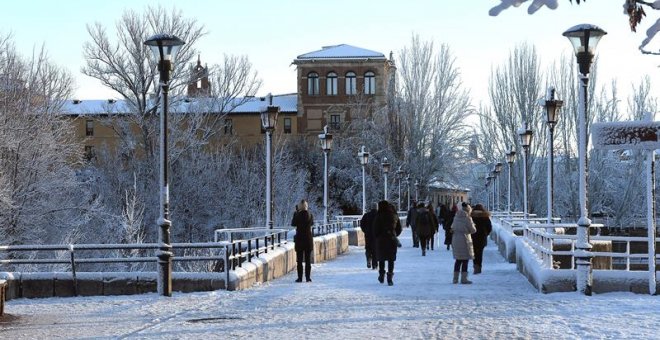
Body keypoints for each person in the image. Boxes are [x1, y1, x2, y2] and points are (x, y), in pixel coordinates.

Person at [374, 200, 402, 286]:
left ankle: (381, 275)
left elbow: (375, 229)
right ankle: (390, 277)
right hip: (391, 239)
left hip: (381, 240)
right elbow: (399, 228)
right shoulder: (394, 215)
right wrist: (394, 234)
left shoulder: (378, 216)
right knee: (391, 259)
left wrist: (378, 236)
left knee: (381, 259)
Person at [451, 202, 476, 284]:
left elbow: (453, 227)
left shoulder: (456, 217)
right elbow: (473, 230)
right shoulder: (467, 218)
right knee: (465, 260)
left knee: (458, 260)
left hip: (455, 239)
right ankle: (464, 279)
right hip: (465, 240)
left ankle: (455, 279)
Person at [291, 199, 314, 282]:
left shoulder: (297, 215)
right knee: (308, 260)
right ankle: (308, 277)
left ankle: (300, 278)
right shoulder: (310, 214)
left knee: (299, 260)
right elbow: (312, 223)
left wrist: (296, 213)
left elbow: (293, 223)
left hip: (300, 240)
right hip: (308, 239)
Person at [470, 203, 493, 275]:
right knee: (480, 253)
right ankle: (479, 267)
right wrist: (486, 234)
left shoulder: (471, 216)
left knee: (474, 252)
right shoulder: (485, 217)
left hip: (473, 236)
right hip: (482, 237)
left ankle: (475, 266)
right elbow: (489, 227)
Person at [360, 203, 378, 270]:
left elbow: (362, 224)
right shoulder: (379, 215)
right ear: (377, 208)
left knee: (368, 248)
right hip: (376, 236)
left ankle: (368, 259)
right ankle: (375, 265)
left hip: (368, 235)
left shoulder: (366, 215)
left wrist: (365, 231)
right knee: (375, 250)